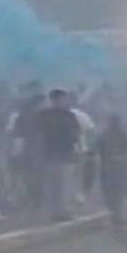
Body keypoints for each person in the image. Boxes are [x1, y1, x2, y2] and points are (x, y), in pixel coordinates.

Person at [36, 89, 82, 222]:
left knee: (64, 184)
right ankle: (54, 212)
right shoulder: (45, 115)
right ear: (54, 100)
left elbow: (77, 135)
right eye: (62, 99)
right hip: (50, 154)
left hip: (65, 154)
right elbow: (38, 135)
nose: (65, 101)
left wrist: (78, 150)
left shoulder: (69, 115)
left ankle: (63, 211)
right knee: (53, 185)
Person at [97, 113, 127, 228]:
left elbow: (100, 150)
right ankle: (116, 215)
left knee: (113, 192)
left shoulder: (106, 135)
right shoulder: (121, 135)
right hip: (115, 166)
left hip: (111, 167)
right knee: (117, 192)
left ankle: (115, 215)